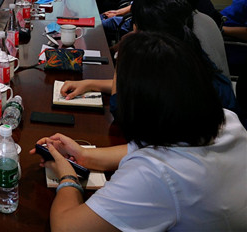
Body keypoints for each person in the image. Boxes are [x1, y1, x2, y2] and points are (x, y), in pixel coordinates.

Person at [35, 31, 247, 231]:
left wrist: (68, 177)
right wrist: (83, 155)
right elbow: (143, 150)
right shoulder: (226, 120)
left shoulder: (154, 175)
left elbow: (66, 227)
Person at [61, 0, 237, 114]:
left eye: (134, 23)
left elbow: (120, 106)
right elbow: (141, 88)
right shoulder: (186, 51)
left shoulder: (172, 73)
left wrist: (122, 57)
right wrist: (91, 84)